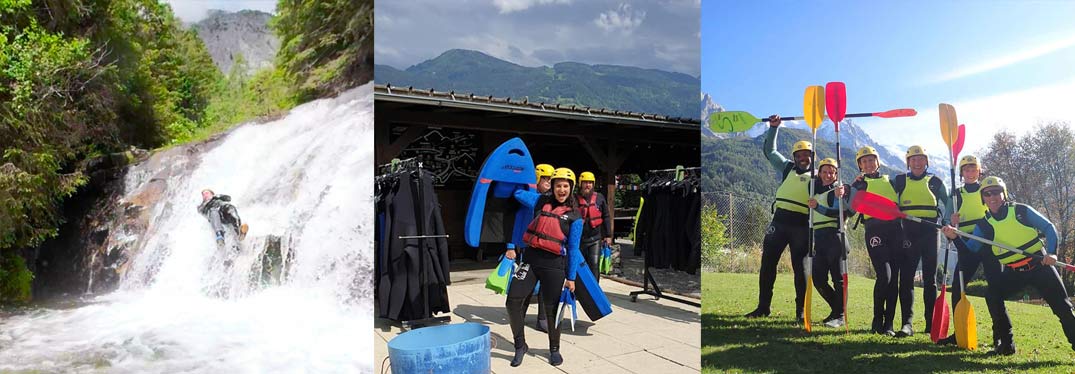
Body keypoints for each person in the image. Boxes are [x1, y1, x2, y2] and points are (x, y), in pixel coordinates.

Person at [941, 176, 1075, 355]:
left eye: (996, 192)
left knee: (1063, 309)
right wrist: (955, 237)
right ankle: (1006, 345)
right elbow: (969, 253)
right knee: (993, 295)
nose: (992, 197)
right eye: (987, 194)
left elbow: (1049, 228)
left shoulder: (1021, 211)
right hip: (1015, 271)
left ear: (1003, 194)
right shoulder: (984, 225)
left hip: (1040, 266)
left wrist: (1051, 252)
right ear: (983, 199)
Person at [506, 167, 584, 367]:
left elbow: (574, 249)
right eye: (558, 185)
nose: (562, 189)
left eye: (566, 186)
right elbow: (517, 193)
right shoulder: (540, 201)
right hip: (530, 260)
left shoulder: (575, 217)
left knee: (552, 310)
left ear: (571, 188)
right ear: (553, 186)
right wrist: (515, 172)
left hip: (554, 266)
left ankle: (554, 349)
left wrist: (572, 277)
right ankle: (520, 345)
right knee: (512, 301)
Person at [744, 115, 813, 320]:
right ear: (795, 156)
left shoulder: (819, 176)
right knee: (767, 265)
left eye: (806, 155)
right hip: (779, 223)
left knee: (801, 270)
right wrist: (774, 128)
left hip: (802, 226)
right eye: (799, 155)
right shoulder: (787, 168)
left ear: (812, 156)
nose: (803, 158)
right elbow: (770, 151)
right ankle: (763, 307)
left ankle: (800, 311)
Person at [891, 145, 951, 337]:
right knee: (906, 278)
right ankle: (907, 323)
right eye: (913, 159)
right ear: (908, 163)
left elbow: (949, 201)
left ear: (927, 162)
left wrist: (947, 221)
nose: (917, 163)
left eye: (921, 159)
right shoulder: (899, 180)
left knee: (930, 279)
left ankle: (930, 323)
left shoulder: (935, 182)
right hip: (908, 231)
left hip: (930, 231)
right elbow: (886, 197)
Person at [848, 146, 902, 336]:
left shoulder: (893, 181)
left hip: (895, 230)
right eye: (864, 161)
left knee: (893, 278)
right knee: (884, 276)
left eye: (872, 160)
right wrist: (848, 191)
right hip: (874, 230)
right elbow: (849, 207)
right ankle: (877, 319)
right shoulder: (859, 184)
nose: (869, 164)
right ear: (860, 165)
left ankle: (889, 324)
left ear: (878, 162)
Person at [937, 155, 990, 346]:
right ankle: (959, 333)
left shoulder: (987, 191)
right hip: (965, 244)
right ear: (961, 173)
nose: (970, 173)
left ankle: (1001, 336)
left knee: (995, 288)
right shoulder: (956, 194)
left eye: (973, 169)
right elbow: (944, 222)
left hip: (987, 241)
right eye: (966, 170)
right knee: (958, 288)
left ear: (979, 171)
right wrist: (951, 222)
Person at [807, 158, 851, 328]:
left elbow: (836, 213)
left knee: (838, 279)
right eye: (824, 172)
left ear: (835, 174)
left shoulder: (836, 191)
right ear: (819, 173)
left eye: (831, 172)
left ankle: (839, 315)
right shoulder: (815, 191)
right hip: (819, 237)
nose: (827, 175)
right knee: (818, 278)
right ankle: (837, 310)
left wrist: (817, 207)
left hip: (835, 237)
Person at [519, 163, 554, 332]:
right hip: (527, 248)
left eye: (550, 180)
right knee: (523, 283)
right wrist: (510, 246)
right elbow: (515, 220)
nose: (548, 183)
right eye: (545, 179)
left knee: (545, 285)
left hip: (545, 250)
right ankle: (518, 316)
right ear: (537, 179)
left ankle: (542, 319)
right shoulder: (526, 195)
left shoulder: (551, 199)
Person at [576, 171, 612, 283]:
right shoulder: (573, 199)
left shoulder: (599, 198)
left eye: (590, 182)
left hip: (595, 238)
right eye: (585, 182)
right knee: (579, 264)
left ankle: (595, 290)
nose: (588, 185)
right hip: (579, 239)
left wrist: (608, 235)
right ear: (580, 183)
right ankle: (579, 289)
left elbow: (606, 216)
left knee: (594, 263)